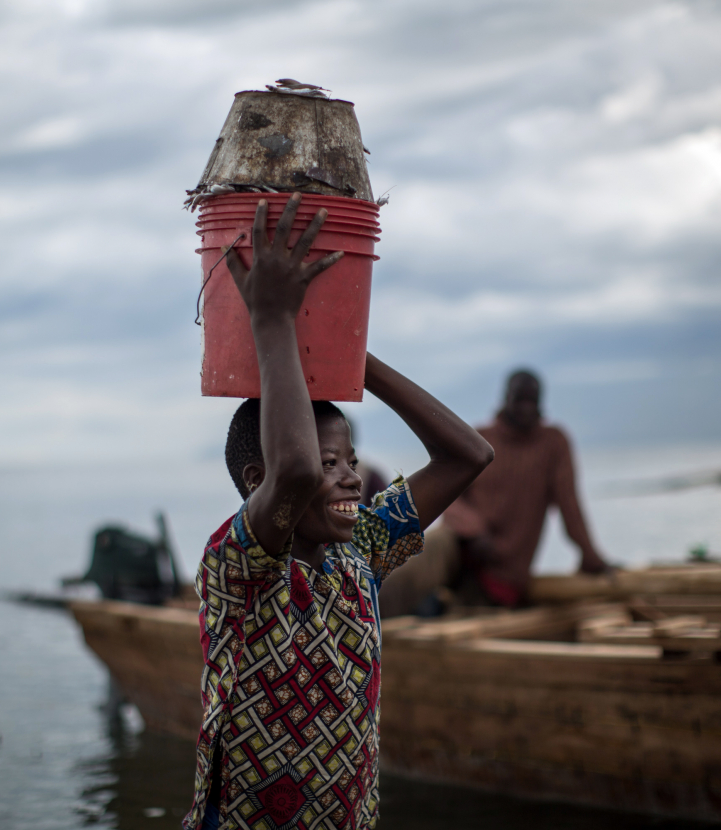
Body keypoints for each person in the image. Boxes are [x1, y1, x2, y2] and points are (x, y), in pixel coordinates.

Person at [183, 194, 493, 830]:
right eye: (332, 464)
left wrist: (348, 352)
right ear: (254, 481)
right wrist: (270, 320)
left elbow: (467, 455)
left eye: (351, 458)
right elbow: (292, 470)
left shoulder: (360, 554)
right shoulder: (238, 570)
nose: (351, 474)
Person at [380, 370, 607, 615]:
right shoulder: (481, 440)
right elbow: (449, 498)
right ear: (506, 399)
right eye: (519, 400)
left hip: (502, 571)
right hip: (465, 548)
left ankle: (431, 608)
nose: (525, 408)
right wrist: (475, 530)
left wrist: (591, 556)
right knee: (429, 546)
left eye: (532, 401)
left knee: (451, 608)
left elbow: (570, 506)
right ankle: (367, 609)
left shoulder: (553, 443)